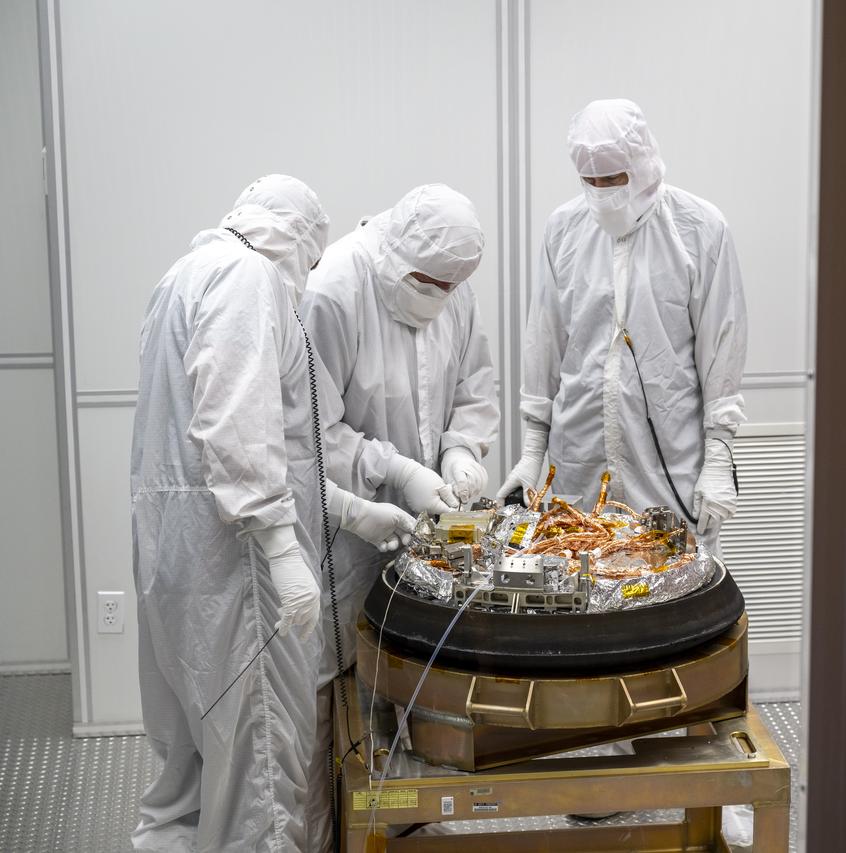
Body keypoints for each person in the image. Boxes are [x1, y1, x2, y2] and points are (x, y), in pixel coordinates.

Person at [131, 175, 416, 852]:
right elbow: (239, 430)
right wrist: (283, 553)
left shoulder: (183, 275)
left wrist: (348, 510)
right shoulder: (248, 280)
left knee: (189, 783)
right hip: (241, 579)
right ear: (299, 243)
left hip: (182, 564)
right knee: (258, 784)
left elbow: (250, 447)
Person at [297, 183, 497, 848]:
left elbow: (474, 388)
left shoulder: (452, 287)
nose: (439, 297)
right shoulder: (336, 292)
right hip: (344, 532)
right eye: (429, 283)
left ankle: (412, 826)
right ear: (396, 254)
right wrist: (397, 472)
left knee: (417, 678)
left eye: (450, 285)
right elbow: (314, 435)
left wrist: (462, 451)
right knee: (343, 699)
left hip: (425, 537)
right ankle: (339, 835)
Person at [499, 98, 748, 556]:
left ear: (644, 164)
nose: (602, 193)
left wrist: (719, 455)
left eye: (613, 179)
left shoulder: (700, 229)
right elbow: (545, 341)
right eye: (590, 182)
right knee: (583, 588)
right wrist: (532, 450)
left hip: (669, 463)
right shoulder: (564, 229)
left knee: (673, 595)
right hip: (579, 459)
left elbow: (722, 346)